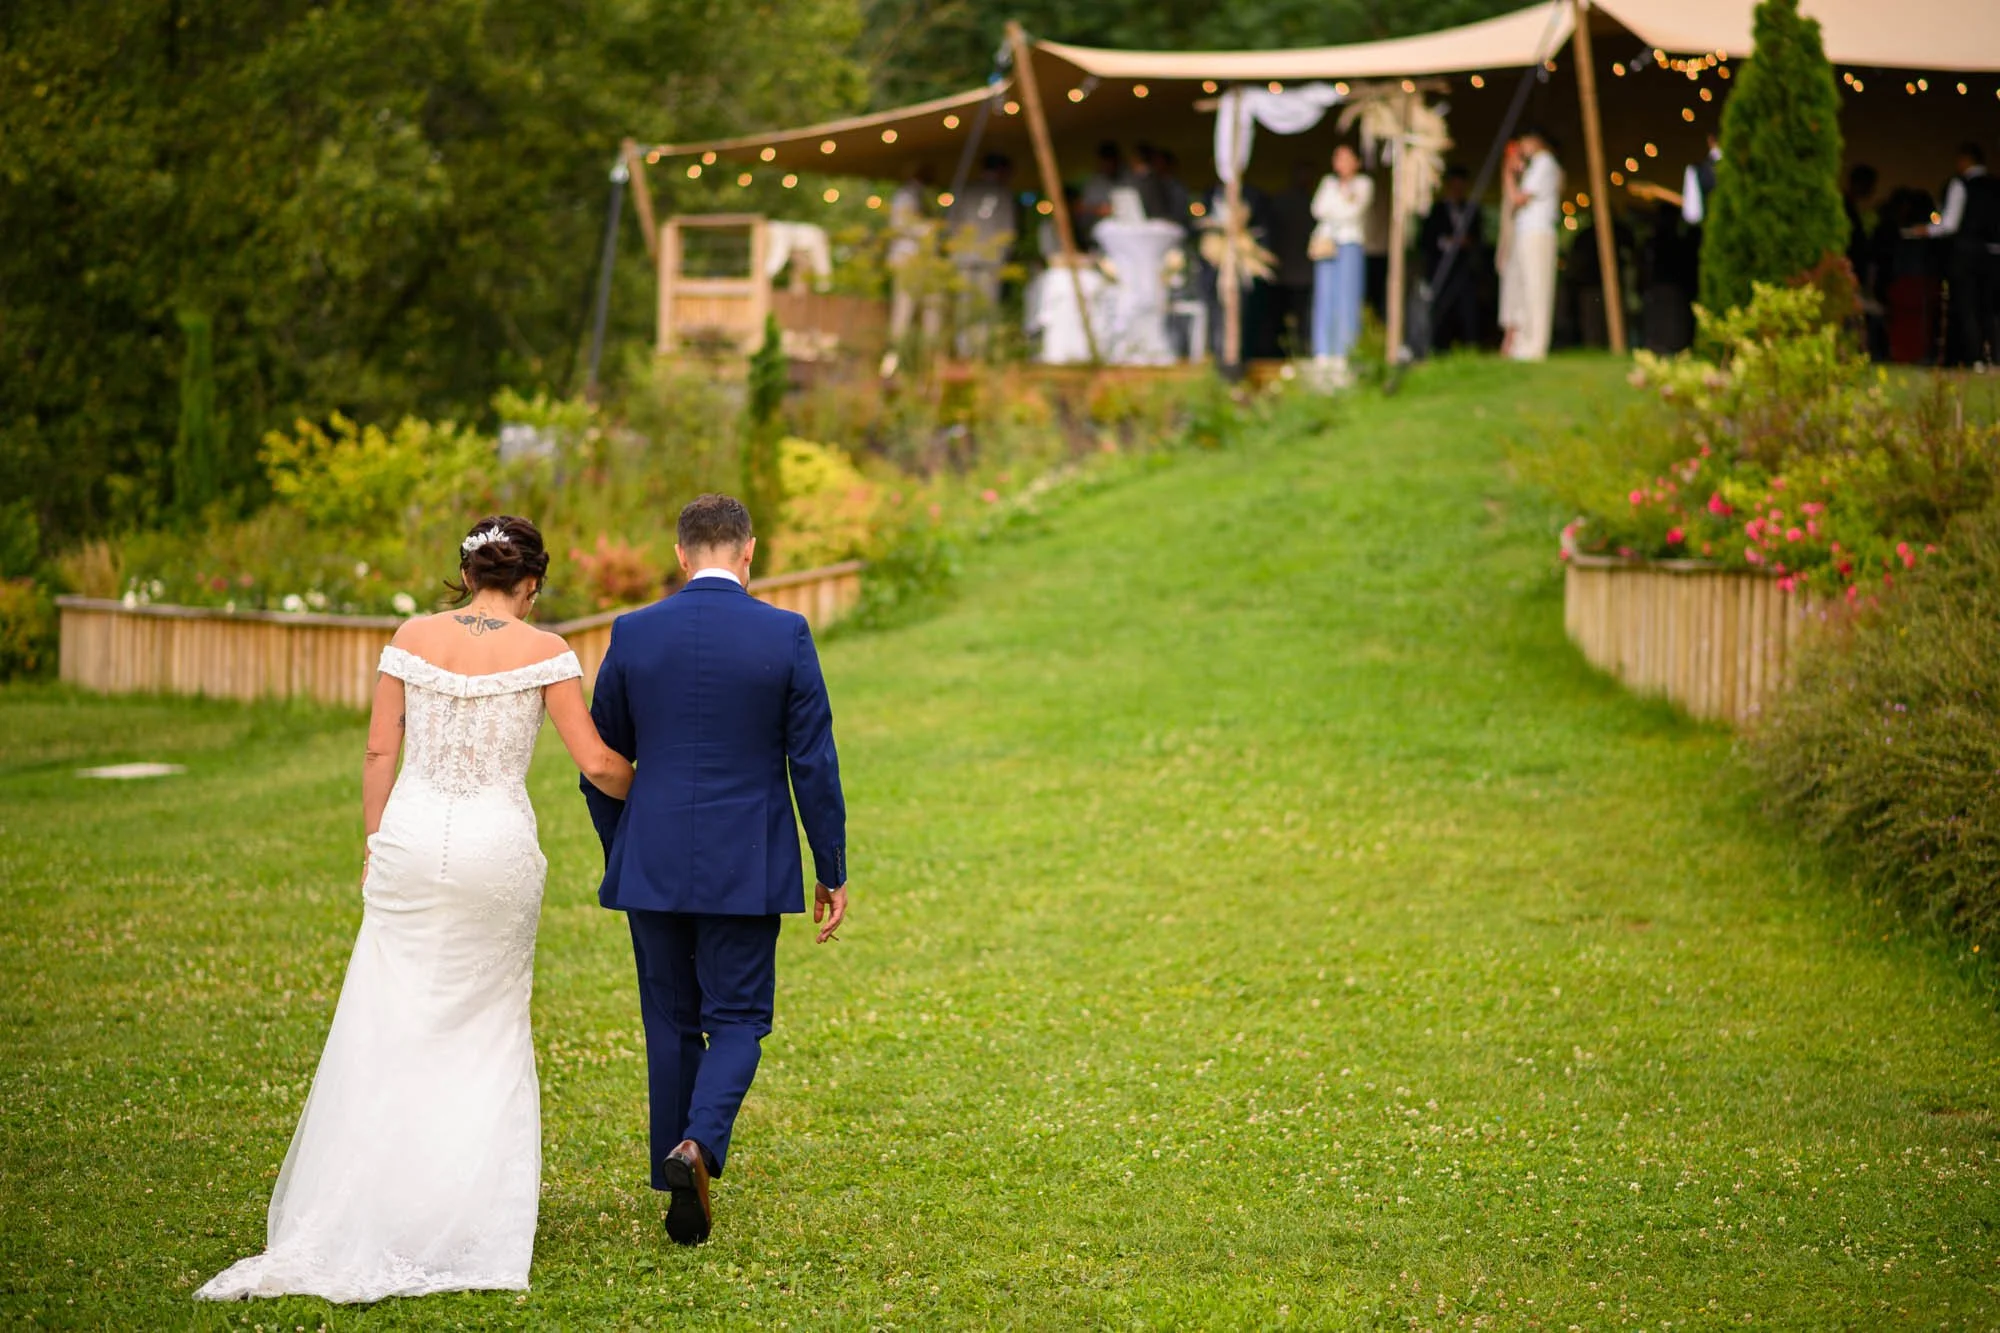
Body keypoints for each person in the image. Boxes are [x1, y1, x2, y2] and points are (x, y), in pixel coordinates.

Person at [197, 517, 634, 1303]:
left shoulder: (410, 633)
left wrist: (374, 838)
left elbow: (377, 752)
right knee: (486, 1024)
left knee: (388, 1016)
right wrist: (665, 791)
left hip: (406, 835)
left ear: (469, 575)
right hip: (493, 848)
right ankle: (463, 1215)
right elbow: (598, 762)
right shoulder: (546, 651)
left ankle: (375, 1204)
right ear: (529, 583)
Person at [582, 493, 848, 1248]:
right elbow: (814, 762)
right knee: (737, 1018)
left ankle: (679, 1168)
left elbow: (602, 765)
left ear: (681, 555)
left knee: (670, 1021)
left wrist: (625, 845)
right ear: (748, 551)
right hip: (747, 862)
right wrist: (830, 866)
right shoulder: (786, 633)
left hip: (653, 861)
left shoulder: (633, 632)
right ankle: (695, 1145)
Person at [1906, 142, 2000, 367]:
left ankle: (1975, 357)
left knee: (1967, 305)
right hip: (1995, 254)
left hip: (1967, 253)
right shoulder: (1996, 186)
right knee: (1992, 308)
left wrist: (1925, 230)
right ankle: (1995, 356)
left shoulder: (1961, 184)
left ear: (1965, 160)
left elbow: (1949, 224)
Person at [1310, 144, 1373, 377]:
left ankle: (1345, 351)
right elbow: (1317, 209)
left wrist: (1337, 206)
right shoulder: (1328, 183)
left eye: (1348, 158)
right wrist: (1341, 202)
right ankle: (1324, 351)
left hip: (1349, 242)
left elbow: (1353, 212)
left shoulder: (1363, 184)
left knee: (1348, 296)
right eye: (1339, 158)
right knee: (1325, 296)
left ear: (1356, 162)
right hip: (1327, 244)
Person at [947, 153, 1018, 357]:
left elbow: (952, 224)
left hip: (964, 259)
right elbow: (1008, 230)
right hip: (990, 261)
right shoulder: (1003, 193)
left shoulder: (965, 190)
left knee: (965, 307)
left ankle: (965, 352)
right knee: (985, 307)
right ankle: (979, 354)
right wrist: (1003, 257)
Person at [1506, 128, 1563, 361]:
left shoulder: (1545, 162)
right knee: (1526, 287)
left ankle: (1535, 345)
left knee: (1536, 287)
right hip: (1529, 231)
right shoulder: (1538, 166)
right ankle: (1525, 342)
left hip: (1537, 232)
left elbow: (1519, 199)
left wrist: (1508, 175)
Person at [884, 165, 940, 376]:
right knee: (903, 310)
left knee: (930, 309)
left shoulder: (924, 196)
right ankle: (893, 360)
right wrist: (926, 228)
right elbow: (900, 224)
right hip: (908, 258)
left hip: (925, 261)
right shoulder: (905, 196)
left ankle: (927, 362)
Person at [1419, 165, 1482, 351]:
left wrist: (1467, 243)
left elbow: (1479, 238)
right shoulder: (1435, 210)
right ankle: (1438, 347)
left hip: (1464, 268)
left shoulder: (1471, 210)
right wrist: (1448, 242)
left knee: (1468, 309)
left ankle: (1471, 346)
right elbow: (1425, 239)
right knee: (1441, 308)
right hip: (1440, 267)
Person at [1268, 162, 1318, 356]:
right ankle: (1289, 350)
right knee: (1291, 315)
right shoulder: (1289, 201)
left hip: (1298, 271)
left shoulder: (1309, 202)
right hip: (1290, 270)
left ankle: (1293, 350)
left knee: (1297, 316)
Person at [1496, 137, 1524, 355]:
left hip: (1521, 244)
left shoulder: (1523, 182)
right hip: (1510, 243)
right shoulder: (1509, 182)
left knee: (1518, 290)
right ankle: (1509, 338)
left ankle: (1513, 339)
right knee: (1509, 291)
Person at [1078, 141, 1127, 251]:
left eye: (1112, 161)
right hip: (1100, 242)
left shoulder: (1129, 179)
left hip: (1127, 237)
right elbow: (1081, 208)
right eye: (1106, 162)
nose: (1109, 165)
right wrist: (1097, 210)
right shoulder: (1093, 183)